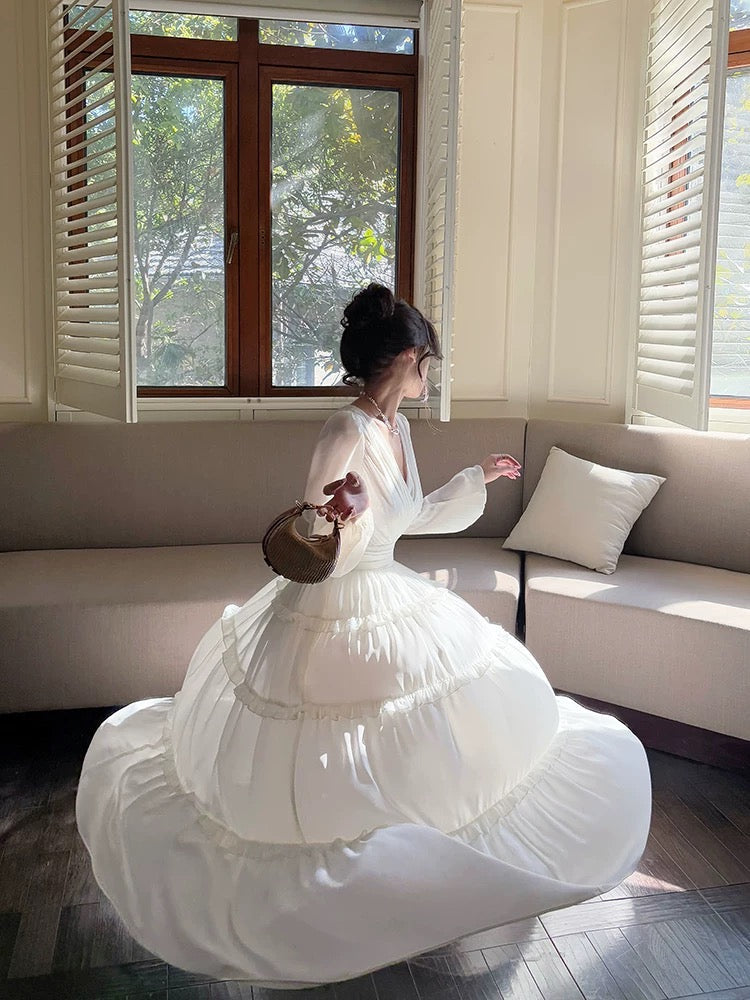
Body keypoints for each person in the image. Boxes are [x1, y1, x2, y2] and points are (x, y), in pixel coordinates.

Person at [76, 283, 652, 989]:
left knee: (424, 722)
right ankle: (345, 887)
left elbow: (412, 516)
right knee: (323, 739)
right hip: (334, 597)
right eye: (428, 360)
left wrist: (476, 478)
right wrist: (338, 515)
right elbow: (314, 541)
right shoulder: (342, 431)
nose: (430, 373)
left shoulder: (397, 429)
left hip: (390, 586)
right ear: (408, 357)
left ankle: (416, 863)